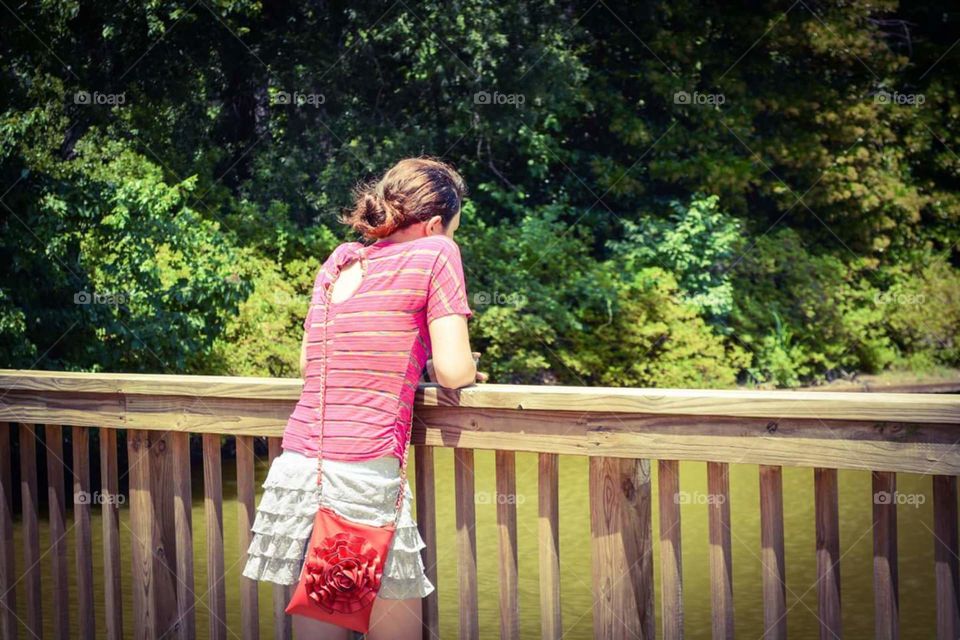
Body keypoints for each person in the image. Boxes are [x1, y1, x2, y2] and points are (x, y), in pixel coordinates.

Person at [241, 157, 482, 639]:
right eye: (453, 230)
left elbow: (313, 364)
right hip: (362, 473)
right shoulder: (437, 252)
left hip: (300, 467)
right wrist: (459, 364)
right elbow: (456, 371)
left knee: (324, 628)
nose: (450, 239)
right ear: (435, 224)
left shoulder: (342, 259)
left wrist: (415, 360)